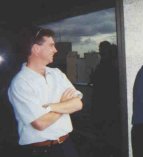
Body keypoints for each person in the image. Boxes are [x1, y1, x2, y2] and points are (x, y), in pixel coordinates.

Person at [7, 25, 83, 157]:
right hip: (42, 151)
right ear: (36, 49)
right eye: (51, 45)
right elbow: (40, 123)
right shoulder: (20, 83)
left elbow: (78, 104)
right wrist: (63, 104)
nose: (55, 50)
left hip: (67, 145)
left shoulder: (57, 74)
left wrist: (51, 107)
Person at [91, 41, 121, 156]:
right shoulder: (108, 64)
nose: (99, 52)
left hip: (106, 106)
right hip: (105, 105)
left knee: (106, 137)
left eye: (101, 50)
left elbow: (100, 80)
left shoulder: (107, 65)